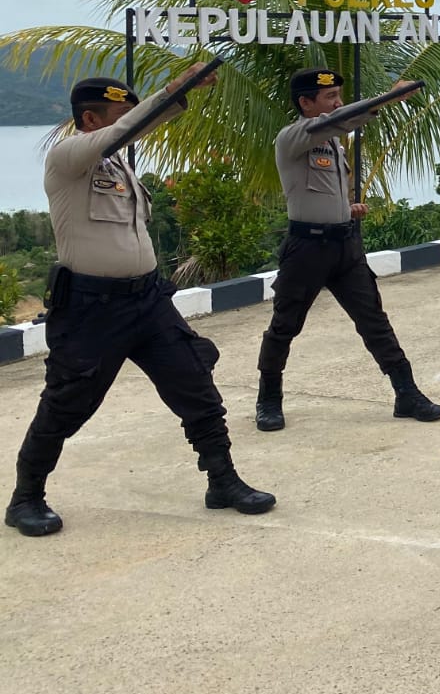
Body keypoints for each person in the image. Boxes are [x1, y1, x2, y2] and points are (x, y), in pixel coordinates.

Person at [7, 71, 274, 537]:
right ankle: (26, 497)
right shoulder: (68, 157)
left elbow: (131, 134)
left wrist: (178, 97)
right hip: (92, 309)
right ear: (90, 119)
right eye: (117, 116)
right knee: (66, 402)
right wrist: (173, 91)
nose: (127, 125)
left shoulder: (117, 166)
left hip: (147, 301)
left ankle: (222, 482)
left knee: (195, 384)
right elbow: (127, 130)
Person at [254, 68, 440, 432]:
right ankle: (268, 399)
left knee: (373, 320)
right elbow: (339, 122)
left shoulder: (333, 142)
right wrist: (388, 98)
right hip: (306, 248)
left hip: (345, 245)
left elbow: (322, 190)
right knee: (285, 325)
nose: (338, 103)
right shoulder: (293, 137)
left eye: (340, 95)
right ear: (305, 102)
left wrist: (346, 209)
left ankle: (406, 392)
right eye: (329, 98)